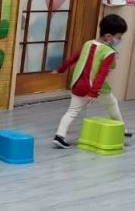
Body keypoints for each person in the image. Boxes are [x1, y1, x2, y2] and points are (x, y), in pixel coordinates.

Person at [52, 14, 129, 149]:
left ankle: (59, 136)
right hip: (95, 87)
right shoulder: (108, 52)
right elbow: (101, 74)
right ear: (108, 36)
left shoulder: (88, 43)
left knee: (72, 111)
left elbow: (72, 58)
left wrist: (60, 69)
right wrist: (94, 92)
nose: (120, 40)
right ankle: (121, 128)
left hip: (78, 84)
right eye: (119, 37)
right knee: (112, 103)